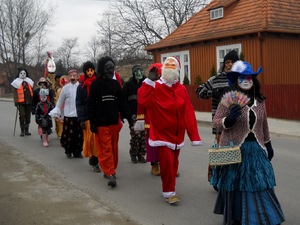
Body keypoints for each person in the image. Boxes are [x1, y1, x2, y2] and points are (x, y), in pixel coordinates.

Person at [212, 60, 285, 225]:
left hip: (256, 149)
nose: (246, 80)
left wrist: (268, 143)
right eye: (242, 77)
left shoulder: (260, 101)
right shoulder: (228, 100)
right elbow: (216, 122)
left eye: (249, 77)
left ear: (253, 80)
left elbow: (264, 123)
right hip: (234, 149)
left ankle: (264, 217)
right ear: (236, 80)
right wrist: (228, 120)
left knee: (260, 184)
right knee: (236, 185)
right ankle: (238, 217)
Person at [137, 56, 202, 204]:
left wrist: (194, 136)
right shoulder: (155, 86)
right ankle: (169, 193)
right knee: (166, 164)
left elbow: (188, 112)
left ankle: (170, 187)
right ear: (163, 69)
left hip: (177, 135)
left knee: (174, 164)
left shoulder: (181, 89)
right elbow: (143, 100)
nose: (171, 68)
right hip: (161, 134)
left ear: (178, 70)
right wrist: (149, 82)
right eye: (168, 66)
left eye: (174, 66)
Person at [87, 56, 134, 188]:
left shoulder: (115, 85)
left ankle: (109, 169)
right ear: (102, 69)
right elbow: (90, 105)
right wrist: (92, 122)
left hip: (114, 122)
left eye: (112, 68)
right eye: (108, 68)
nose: (110, 71)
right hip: (101, 123)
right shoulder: (95, 85)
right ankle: (111, 174)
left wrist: (129, 118)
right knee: (105, 149)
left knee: (113, 148)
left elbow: (122, 103)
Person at [196, 50, 239, 189]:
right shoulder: (216, 79)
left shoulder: (242, 79)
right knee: (221, 153)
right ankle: (216, 179)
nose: (229, 65)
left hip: (240, 124)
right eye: (227, 62)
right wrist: (213, 92)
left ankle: (235, 180)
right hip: (221, 123)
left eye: (232, 62)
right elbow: (199, 91)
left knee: (238, 154)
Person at [134, 63, 162, 175]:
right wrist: (140, 119)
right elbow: (141, 102)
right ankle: (154, 165)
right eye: (153, 72)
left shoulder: (165, 85)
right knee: (153, 144)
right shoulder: (145, 87)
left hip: (165, 119)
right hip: (151, 119)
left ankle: (169, 165)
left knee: (166, 144)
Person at [49, 70, 83, 158]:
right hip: (68, 115)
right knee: (68, 134)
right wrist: (57, 111)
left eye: (74, 76)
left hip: (78, 115)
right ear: (68, 77)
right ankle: (68, 150)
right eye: (71, 76)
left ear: (78, 76)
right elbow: (60, 101)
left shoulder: (81, 87)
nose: (72, 78)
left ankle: (78, 151)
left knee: (79, 134)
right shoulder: (65, 88)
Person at [76, 61, 101, 172]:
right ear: (85, 72)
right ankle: (94, 160)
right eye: (88, 70)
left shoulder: (100, 83)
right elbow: (79, 103)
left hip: (100, 115)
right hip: (87, 117)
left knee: (100, 140)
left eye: (91, 70)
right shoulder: (81, 87)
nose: (90, 72)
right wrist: (81, 119)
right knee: (91, 141)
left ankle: (102, 160)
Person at [123, 65, 147, 163]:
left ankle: (141, 155)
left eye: (140, 71)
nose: (139, 73)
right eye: (136, 71)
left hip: (145, 116)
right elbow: (123, 101)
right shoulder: (128, 85)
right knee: (135, 136)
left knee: (144, 136)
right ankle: (133, 154)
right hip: (133, 115)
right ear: (133, 73)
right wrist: (128, 115)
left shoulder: (146, 83)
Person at [11, 68, 34, 136]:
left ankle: (27, 130)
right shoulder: (16, 82)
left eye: (24, 73)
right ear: (19, 74)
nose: (23, 74)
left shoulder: (29, 81)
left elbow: (32, 91)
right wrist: (16, 101)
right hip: (21, 102)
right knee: (22, 115)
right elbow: (15, 93)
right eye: (21, 73)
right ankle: (22, 130)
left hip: (29, 101)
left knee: (28, 116)